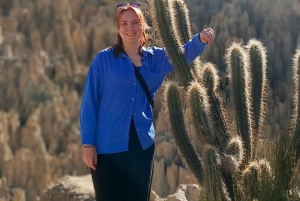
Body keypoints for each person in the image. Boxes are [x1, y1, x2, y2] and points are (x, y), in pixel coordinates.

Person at [80, 2, 214, 201]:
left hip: (141, 146)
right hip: (107, 145)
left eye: (135, 22)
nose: (130, 28)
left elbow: (181, 54)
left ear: (142, 26)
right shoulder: (103, 60)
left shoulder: (155, 58)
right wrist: (88, 144)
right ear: (118, 28)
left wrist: (200, 40)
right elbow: (90, 103)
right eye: (124, 23)